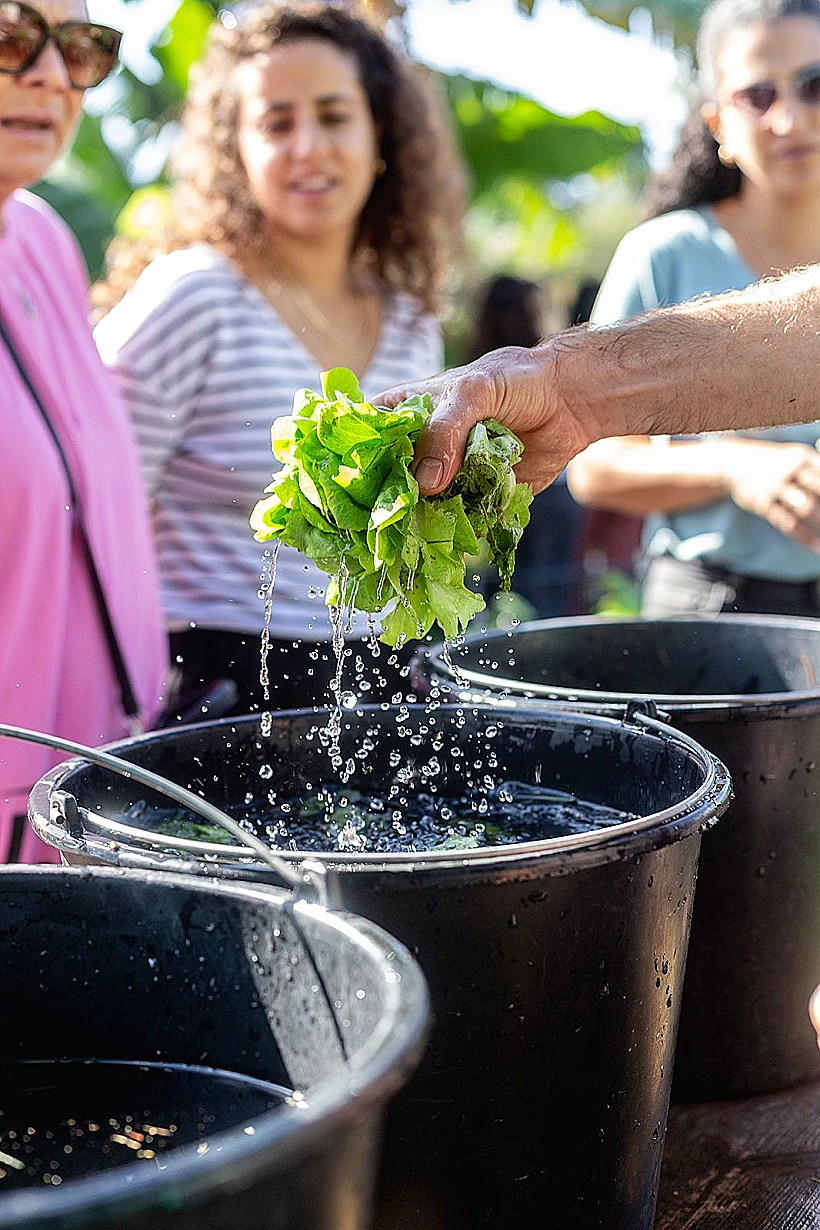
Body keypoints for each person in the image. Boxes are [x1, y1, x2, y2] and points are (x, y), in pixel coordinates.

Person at [93, 1, 463, 715]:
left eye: (333, 115)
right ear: (237, 150)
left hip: (378, 689)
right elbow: (89, 512)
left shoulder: (414, 325)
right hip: (209, 692)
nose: (308, 148)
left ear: (380, 133)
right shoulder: (194, 295)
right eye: (275, 123)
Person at [568, 0, 820, 618]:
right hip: (707, 608)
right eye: (758, 95)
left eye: (815, 86)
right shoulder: (665, 254)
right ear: (717, 126)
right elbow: (591, 463)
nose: (790, 120)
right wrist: (736, 467)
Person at [0, 0, 167, 863]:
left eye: (80, 50)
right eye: (10, 37)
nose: (49, 76)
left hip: (93, 780)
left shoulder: (42, 239)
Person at [465, 275, 586, 618]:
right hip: (554, 493)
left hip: (494, 495)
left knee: (490, 594)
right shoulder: (540, 366)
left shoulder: (469, 371)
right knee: (548, 595)